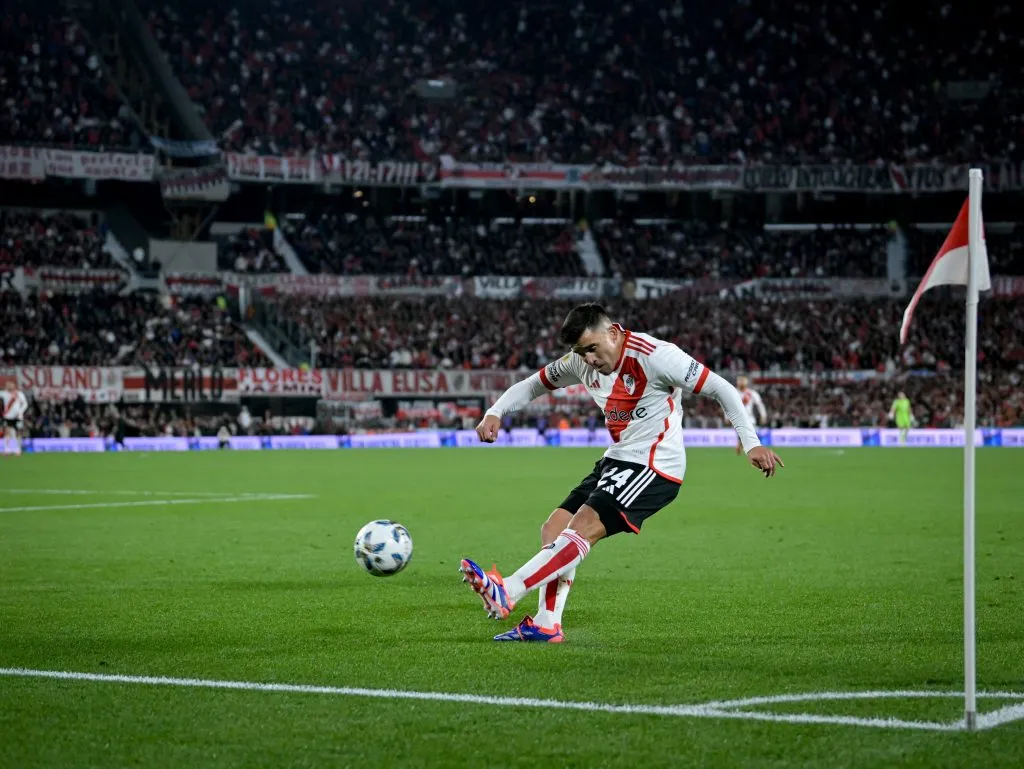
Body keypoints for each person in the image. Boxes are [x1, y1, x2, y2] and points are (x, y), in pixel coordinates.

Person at [460, 303, 784, 642]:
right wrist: (495, 412)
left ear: (613, 333)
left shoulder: (656, 356)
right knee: (554, 528)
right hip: (617, 459)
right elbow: (532, 385)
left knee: (582, 526)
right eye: (579, 352)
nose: (588, 360)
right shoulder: (581, 363)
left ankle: (508, 590)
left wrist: (752, 444)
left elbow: (722, 388)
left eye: (591, 349)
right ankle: (546, 622)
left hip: (655, 465)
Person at [735, 375, 768, 455]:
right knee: (745, 435)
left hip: (750, 419)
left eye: (743, 380)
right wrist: (726, 417)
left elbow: (760, 404)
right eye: (740, 380)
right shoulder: (734, 392)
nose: (741, 382)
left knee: (752, 435)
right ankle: (742, 446)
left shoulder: (752, 393)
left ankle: (742, 446)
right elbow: (727, 405)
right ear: (737, 382)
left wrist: (763, 415)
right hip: (737, 419)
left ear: (746, 382)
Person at [1, 381, 29, 457]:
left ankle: (17, 449)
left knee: (18, 433)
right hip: (8, 416)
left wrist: (21, 412)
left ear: (14, 386)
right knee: (7, 432)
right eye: (8, 385)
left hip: (17, 416)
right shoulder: (3, 393)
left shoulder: (19, 394)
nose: (9, 386)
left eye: (11, 385)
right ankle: (7, 449)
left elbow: (25, 404)